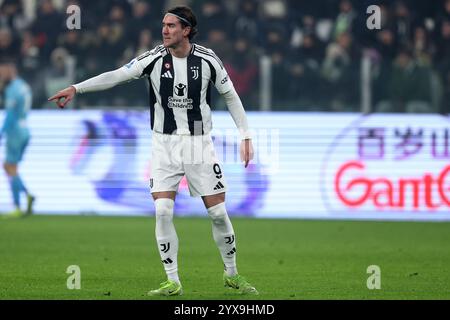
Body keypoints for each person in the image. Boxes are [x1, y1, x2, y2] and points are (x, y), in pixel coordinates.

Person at [48, 6, 258, 296]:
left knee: (219, 213)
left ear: (186, 30)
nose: (165, 30)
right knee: (162, 210)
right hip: (164, 145)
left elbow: (231, 97)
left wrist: (245, 136)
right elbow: (116, 76)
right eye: (164, 25)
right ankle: (173, 280)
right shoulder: (154, 59)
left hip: (199, 145)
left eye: (172, 25)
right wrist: (76, 88)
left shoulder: (208, 60)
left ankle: (232, 274)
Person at [0, 58, 35, 218]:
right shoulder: (24, 85)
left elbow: (10, 115)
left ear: (9, 70)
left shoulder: (12, 88)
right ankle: (27, 195)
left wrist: (1, 133)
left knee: (10, 167)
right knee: (9, 167)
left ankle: (17, 205)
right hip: (25, 128)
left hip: (15, 131)